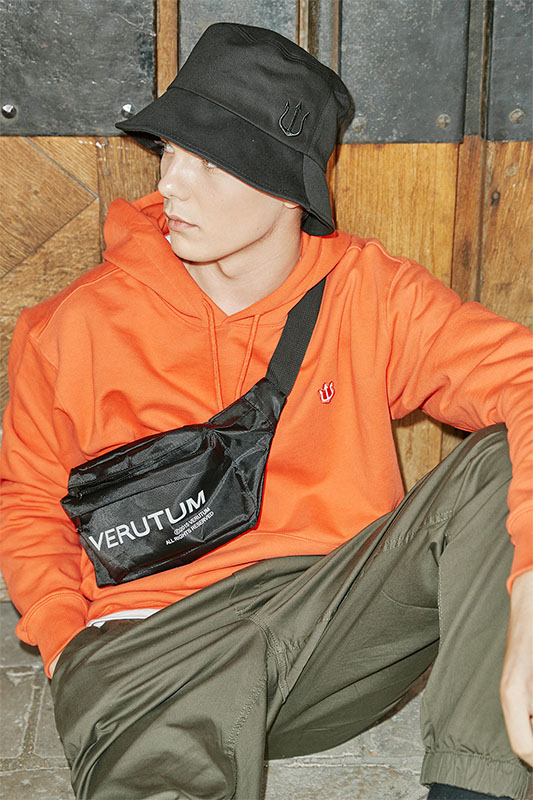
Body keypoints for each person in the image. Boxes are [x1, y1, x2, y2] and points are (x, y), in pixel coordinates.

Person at [0, 22, 531, 800]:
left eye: (207, 162)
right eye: (169, 151)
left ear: (287, 189)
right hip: (156, 644)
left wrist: (529, 580)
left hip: (329, 632)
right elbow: (29, 500)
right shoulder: (71, 327)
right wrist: (64, 640)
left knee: (498, 459)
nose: (170, 183)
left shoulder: (369, 295)